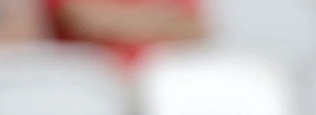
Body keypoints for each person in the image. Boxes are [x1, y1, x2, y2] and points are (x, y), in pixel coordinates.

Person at [43, 0, 202, 64]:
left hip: (159, 83)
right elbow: (82, 21)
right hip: (87, 83)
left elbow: (195, 28)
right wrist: (157, 19)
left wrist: (117, 21)